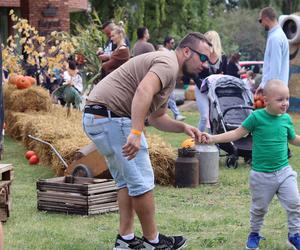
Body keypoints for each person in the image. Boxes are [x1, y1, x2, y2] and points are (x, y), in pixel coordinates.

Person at [83, 32, 213, 249]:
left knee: (127, 180)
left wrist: (183, 126)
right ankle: (153, 242)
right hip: (114, 118)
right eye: (203, 58)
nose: (205, 65)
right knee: (142, 182)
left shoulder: (168, 70)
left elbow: (157, 117)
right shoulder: (168, 63)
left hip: (99, 118)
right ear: (188, 51)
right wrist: (135, 132)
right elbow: (143, 90)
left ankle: (125, 239)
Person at [201, 79, 300, 250]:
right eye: (280, 100)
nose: (285, 104)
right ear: (266, 100)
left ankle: (294, 234)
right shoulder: (256, 117)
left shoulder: (286, 119)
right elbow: (236, 134)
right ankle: (254, 233)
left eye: (287, 99)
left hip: (284, 172)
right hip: (262, 175)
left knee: (295, 203)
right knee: (259, 209)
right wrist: (213, 138)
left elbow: (293, 139)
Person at [194, 30, 227, 132]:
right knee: (204, 117)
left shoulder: (223, 57)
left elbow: (224, 76)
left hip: (215, 90)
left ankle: (211, 142)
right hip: (202, 88)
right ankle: (196, 141)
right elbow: (195, 74)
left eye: (207, 41)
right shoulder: (202, 56)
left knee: (214, 118)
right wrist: (203, 86)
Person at [256, 6, 289, 94]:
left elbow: (275, 69)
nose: (261, 24)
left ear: (266, 19)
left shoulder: (275, 38)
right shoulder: (278, 35)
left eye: (260, 20)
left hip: (275, 90)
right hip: (279, 88)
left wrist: (264, 87)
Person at [160, 36, 186, 121]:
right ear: (167, 43)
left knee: (170, 96)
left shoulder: (171, 52)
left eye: (174, 43)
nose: (173, 44)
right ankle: (176, 114)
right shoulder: (162, 51)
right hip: (164, 77)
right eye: (172, 43)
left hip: (170, 77)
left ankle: (176, 114)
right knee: (170, 96)